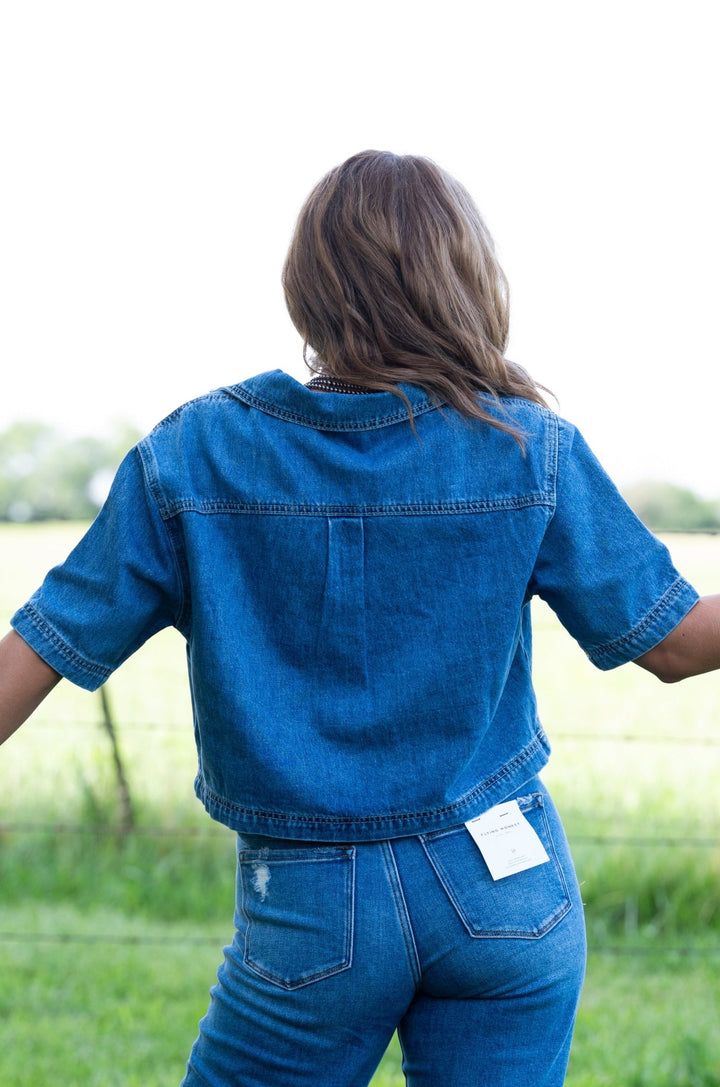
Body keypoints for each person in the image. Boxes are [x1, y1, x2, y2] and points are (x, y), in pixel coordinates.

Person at [1, 150, 718, 1087]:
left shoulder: (194, 455)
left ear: (308, 287)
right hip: (510, 888)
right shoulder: (524, 446)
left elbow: (36, 656)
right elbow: (672, 641)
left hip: (312, 904)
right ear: (465, 281)